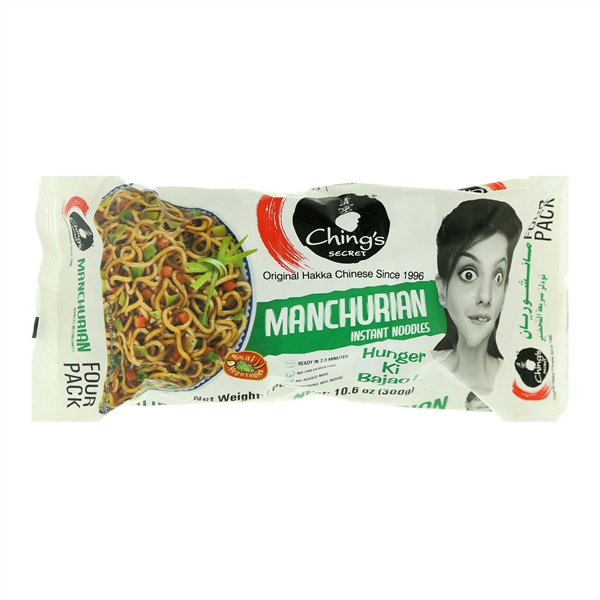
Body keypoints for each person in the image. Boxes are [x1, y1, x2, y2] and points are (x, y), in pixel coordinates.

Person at [433, 198, 522, 395]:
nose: (485, 296)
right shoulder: (422, 372)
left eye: (498, 277)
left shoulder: (519, 381)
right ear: (442, 290)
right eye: (469, 274)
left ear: (505, 290)